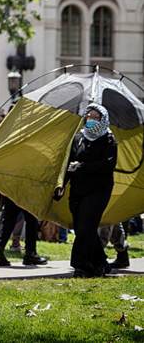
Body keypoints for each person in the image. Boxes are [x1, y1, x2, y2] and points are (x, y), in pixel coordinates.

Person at [56, 103, 117, 278]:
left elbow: (108, 165)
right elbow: (69, 164)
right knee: (83, 228)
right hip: (77, 190)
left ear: (103, 120)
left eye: (95, 118)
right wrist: (61, 185)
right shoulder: (78, 138)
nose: (90, 120)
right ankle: (100, 263)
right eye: (88, 117)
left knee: (85, 227)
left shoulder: (109, 140)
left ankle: (80, 265)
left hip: (99, 189)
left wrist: (82, 167)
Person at [0, 108, 48, 267]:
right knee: (30, 219)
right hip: (25, 182)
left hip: (13, 183)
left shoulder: (9, 132)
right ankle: (30, 253)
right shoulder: (30, 133)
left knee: (9, 218)